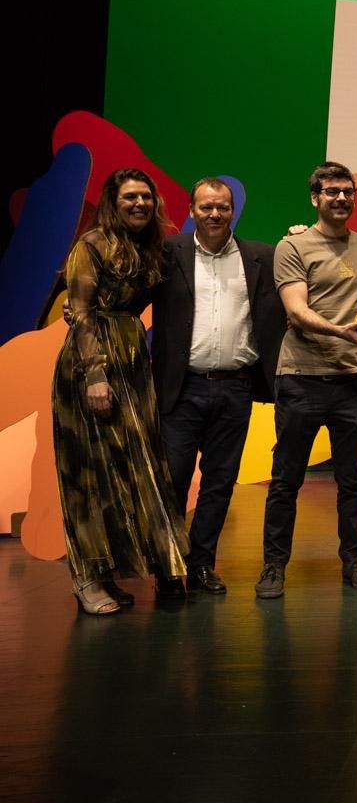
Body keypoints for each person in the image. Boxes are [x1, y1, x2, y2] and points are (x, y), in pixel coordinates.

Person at [52, 167, 187, 613]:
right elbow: (83, 311)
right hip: (93, 364)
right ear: (113, 201)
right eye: (130, 197)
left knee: (124, 472)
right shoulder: (91, 246)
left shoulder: (146, 248)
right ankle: (87, 579)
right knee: (89, 472)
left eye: (146, 197)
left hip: (131, 364)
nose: (140, 204)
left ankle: (108, 573)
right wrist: (94, 375)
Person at [152, 177, 284, 596]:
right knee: (172, 479)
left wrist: (297, 235)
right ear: (191, 211)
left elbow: (301, 275)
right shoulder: (168, 253)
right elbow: (129, 296)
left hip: (235, 389)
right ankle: (169, 568)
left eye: (222, 207)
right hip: (181, 388)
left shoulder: (260, 257)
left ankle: (202, 564)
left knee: (219, 481)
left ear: (233, 211)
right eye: (206, 207)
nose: (214, 214)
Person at [256, 161, 357, 599]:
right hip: (302, 378)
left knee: (352, 481)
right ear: (315, 198)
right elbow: (295, 311)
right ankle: (273, 567)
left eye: (348, 191)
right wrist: (341, 331)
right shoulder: (292, 246)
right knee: (287, 479)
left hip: (352, 380)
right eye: (331, 192)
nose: (341, 198)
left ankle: (353, 561)